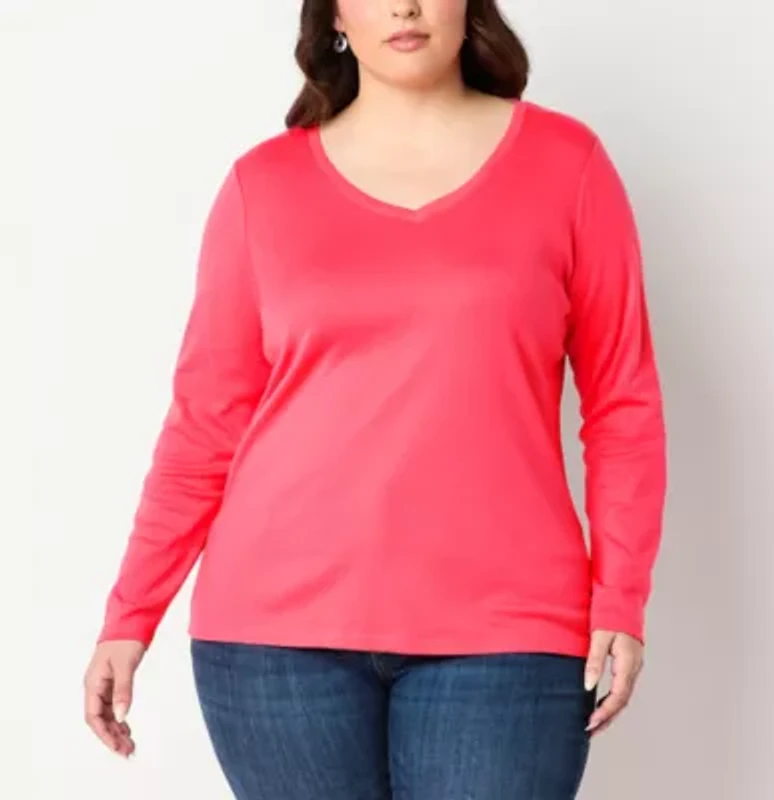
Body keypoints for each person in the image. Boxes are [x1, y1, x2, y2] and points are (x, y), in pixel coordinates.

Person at [83, 1, 667, 797]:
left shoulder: (568, 167)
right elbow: (205, 426)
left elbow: (624, 406)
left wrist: (621, 599)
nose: (404, 5)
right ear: (333, 16)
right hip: (274, 640)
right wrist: (130, 615)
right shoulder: (263, 186)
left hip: (511, 629)